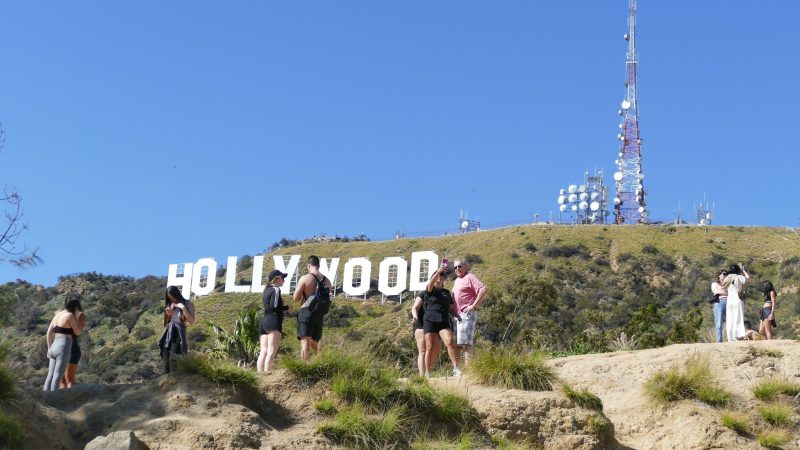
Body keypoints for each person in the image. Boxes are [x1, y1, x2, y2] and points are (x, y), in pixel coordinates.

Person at [422, 266, 462, 377]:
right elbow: (430, 284)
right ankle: (427, 372)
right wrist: (439, 270)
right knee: (429, 346)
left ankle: (456, 369)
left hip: (443, 320)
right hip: (430, 320)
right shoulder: (430, 289)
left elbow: (450, 308)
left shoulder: (446, 292)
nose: (440, 277)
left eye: (442, 275)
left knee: (449, 341)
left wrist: (456, 315)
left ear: (444, 279)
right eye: (438, 275)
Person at [294, 255, 333, 361]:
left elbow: (296, 298)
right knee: (315, 342)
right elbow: (329, 298)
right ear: (319, 266)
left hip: (306, 311)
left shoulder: (305, 278)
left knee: (305, 344)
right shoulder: (328, 281)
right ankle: (320, 362)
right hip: (319, 314)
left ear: (308, 265)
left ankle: (304, 368)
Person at [452, 258, 486, 366]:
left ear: (466, 267)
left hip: (467, 314)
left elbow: (483, 289)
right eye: (455, 267)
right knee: (457, 344)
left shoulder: (470, 277)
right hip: (457, 316)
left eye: (460, 266)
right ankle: (458, 370)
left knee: (467, 344)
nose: (458, 268)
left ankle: (468, 371)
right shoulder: (457, 280)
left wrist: (473, 305)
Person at [43, 296, 82, 391]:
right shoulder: (69, 316)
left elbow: (48, 333)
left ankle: (44, 399)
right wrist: (77, 318)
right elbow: (77, 332)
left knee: (50, 376)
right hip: (63, 347)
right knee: (57, 376)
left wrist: (49, 348)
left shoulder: (57, 315)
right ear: (76, 307)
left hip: (53, 346)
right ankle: (52, 400)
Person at [158, 286, 196, 374]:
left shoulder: (187, 303)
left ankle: (175, 376)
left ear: (177, 295)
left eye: (173, 297)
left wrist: (183, 308)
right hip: (168, 330)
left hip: (179, 330)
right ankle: (166, 377)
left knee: (174, 354)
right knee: (165, 353)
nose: (172, 299)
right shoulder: (169, 304)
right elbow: (165, 323)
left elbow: (192, 321)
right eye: (170, 298)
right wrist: (169, 315)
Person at [257, 270, 290, 372]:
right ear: (277, 278)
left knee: (263, 352)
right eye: (283, 278)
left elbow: (270, 306)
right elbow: (274, 307)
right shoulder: (275, 289)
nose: (284, 281)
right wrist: (287, 307)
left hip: (264, 322)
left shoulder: (266, 290)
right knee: (271, 352)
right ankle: (267, 376)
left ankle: (260, 376)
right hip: (273, 321)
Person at [59, 297, 86, 389]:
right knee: (69, 380)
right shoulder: (80, 315)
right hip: (72, 347)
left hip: (59, 347)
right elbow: (78, 331)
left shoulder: (60, 314)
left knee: (62, 381)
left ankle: (62, 402)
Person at [721, 264, 750, 341]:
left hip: (730, 300)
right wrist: (743, 270)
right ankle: (736, 336)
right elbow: (748, 279)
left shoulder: (728, 278)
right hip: (737, 299)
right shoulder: (738, 277)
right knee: (738, 318)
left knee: (730, 319)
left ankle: (730, 337)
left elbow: (723, 287)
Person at [410, 291, 427, 377]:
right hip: (420, 324)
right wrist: (415, 316)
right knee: (422, 350)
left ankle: (428, 372)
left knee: (431, 350)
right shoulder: (423, 293)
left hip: (433, 325)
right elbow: (414, 308)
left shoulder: (441, 294)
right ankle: (422, 375)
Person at [710, 270, 729, 343]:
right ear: (719, 275)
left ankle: (730, 339)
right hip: (719, 303)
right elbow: (716, 292)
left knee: (730, 322)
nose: (725, 275)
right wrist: (726, 293)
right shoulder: (715, 284)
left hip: (729, 303)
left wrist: (724, 293)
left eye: (726, 274)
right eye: (723, 274)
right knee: (719, 324)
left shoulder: (728, 284)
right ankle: (719, 341)